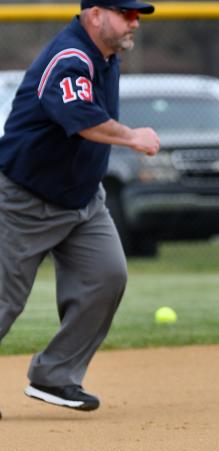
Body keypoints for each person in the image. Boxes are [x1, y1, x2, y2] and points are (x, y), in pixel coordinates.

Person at [0, 0, 159, 413]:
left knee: (106, 277)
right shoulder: (69, 58)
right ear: (95, 15)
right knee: (4, 301)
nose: (134, 22)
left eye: (137, 15)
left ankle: (55, 375)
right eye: (126, 14)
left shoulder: (107, 55)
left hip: (84, 200)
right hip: (22, 201)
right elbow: (83, 118)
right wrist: (132, 137)